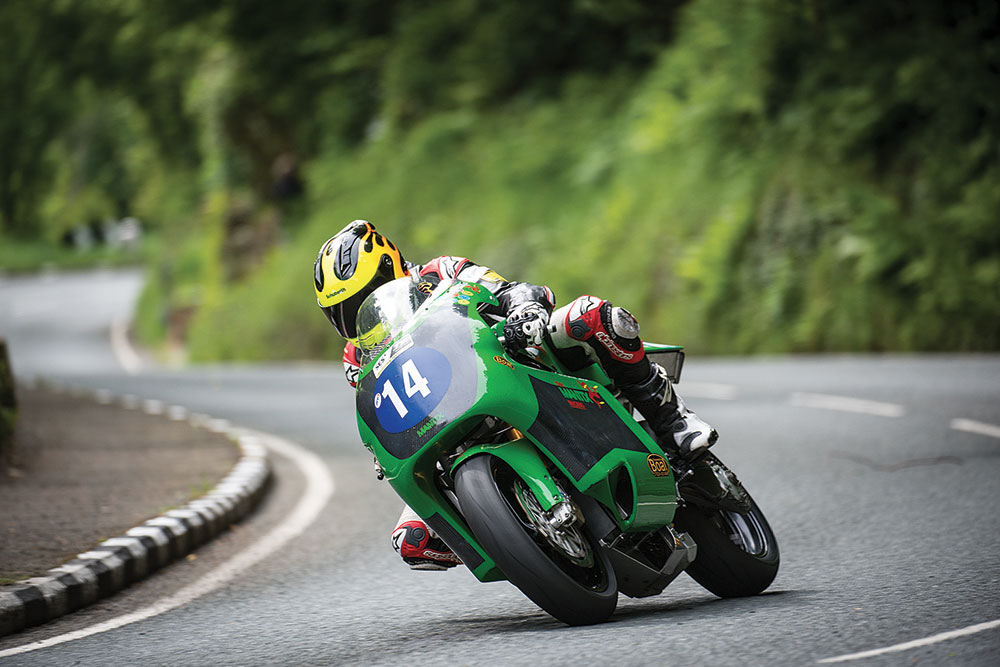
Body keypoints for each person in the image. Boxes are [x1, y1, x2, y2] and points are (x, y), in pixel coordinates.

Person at [313, 220, 717, 570]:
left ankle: (671, 419)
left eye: (364, 296)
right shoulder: (356, 358)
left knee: (591, 315)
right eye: (343, 311)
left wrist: (524, 308)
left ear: (391, 267)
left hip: (520, 356)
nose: (356, 314)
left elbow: (511, 288)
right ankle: (520, 536)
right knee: (413, 541)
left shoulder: (440, 272)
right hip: (451, 419)